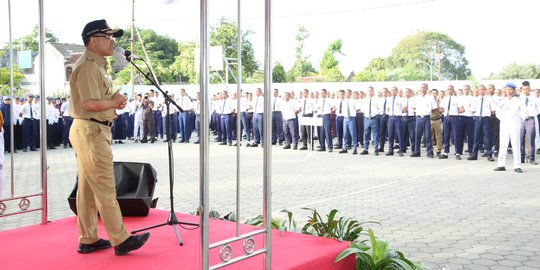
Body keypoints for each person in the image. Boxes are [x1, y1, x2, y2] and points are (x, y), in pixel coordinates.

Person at [69, 19, 149, 255]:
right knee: (105, 186)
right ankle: (121, 238)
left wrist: (113, 104)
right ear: (94, 40)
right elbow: (89, 103)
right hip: (91, 131)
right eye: (109, 37)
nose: (113, 42)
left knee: (87, 189)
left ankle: (89, 239)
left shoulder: (97, 65)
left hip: (90, 129)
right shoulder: (88, 66)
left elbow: (97, 101)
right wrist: (112, 102)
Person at [494, 83, 525, 173]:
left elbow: (524, 113)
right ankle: (501, 165)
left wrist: (518, 120)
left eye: (511, 89)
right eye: (507, 89)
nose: (509, 91)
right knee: (503, 145)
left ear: (514, 90)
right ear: (505, 91)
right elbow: (498, 113)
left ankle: (517, 166)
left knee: (516, 146)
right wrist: (504, 120)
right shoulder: (501, 101)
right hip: (504, 125)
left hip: (515, 126)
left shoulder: (519, 101)